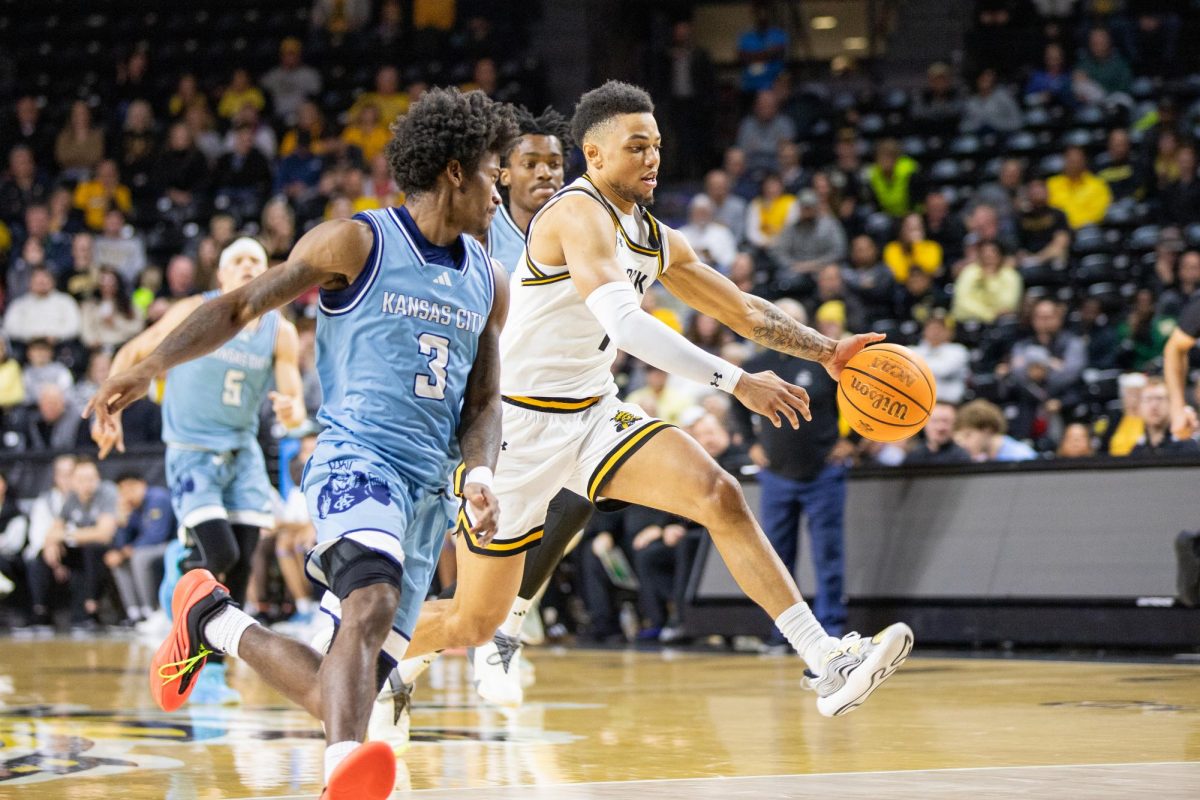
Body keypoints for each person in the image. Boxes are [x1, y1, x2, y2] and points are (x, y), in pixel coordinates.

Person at [394, 81, 912, 721]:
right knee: (474, 622)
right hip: (514, 432)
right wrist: (737, 382)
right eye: (636, 146)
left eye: (657, 146)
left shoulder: (652, 234)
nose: (652, 159)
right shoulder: (574, 214)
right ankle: (373, 651)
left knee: (718, 494)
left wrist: (826, 352)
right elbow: (631, 326)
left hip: (590, 414)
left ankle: (827, 660)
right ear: (595, 154)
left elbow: (742, 308)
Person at [86, 88, 515, 800]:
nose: (500, 193)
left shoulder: (487, 280)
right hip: (358, 461)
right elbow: (238, 306)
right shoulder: (356, 242)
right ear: (452, 172)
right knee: (369, 604)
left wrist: (481, 475)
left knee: (338, 687)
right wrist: (150, 364)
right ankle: (341, 772)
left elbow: (483, 400)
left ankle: (211, 619)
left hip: (430, 490)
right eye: (493, 173)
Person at [94, 237, 306, 706]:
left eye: (257, 259)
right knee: (221, 552)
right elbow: (136, 350)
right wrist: (107, 409)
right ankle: (181, 584)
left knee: (245, 560)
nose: (250, 265)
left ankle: (213, 667)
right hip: (192, 448)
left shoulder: (280, 329)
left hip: (241, 450)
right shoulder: (195, 309)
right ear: (223, 276)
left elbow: (293, 404)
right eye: (239, 260)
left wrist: (292, 409)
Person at [729, 298, 850, 645]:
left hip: (823, 473)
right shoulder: (757, 364)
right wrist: (751, 444)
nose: (786, 326)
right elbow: (736, 406)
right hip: (777, 476)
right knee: (776, 558)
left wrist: (852, 440)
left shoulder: (823, 364)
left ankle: (831, 629)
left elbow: (858, 398)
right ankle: (786, 634)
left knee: (828, 554)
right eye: (779, 320)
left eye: (794, 321)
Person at [27, 458, 117, 631]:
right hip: (82, 549)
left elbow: (104, 534)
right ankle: (41, 612)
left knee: (91, 551)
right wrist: (51, 543)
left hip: (109, 549)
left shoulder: (107, 492)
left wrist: (66, 535)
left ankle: (89, 613)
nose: (87, 484)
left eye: (91, 478)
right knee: (43, 555)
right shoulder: (72, 498)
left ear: (98, 478)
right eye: (81, 479)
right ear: (74, 481)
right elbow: (53, 531)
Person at [105, 472, 174, 625]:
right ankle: (134, 613)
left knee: (139, 557)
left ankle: (151, 612)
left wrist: (123, 552)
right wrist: (122, 522)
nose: (127, 493)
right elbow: (122, 542)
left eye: (131, 487)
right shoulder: (133, 508)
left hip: (175, 545)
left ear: (142, 484)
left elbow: (157, 536)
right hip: (150, 548)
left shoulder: (157, 498)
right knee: (118, 561)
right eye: (122, 490)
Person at [4, 267, 81, 344]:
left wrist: (56, 336)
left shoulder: (66, 301)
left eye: (45, 280)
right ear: (30, 283)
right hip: (26, 345)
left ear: (53, 281)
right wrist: (30, 336)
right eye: (37, 281)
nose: (41, 283)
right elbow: (10, 327)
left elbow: (74, 327)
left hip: (59, 344)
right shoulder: (19, 304)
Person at [951, 241, 1022, 324]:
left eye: (993, 253)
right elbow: (962, 303)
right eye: (985, 254)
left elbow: (1007, 304)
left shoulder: (1010, 275)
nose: (988, 257)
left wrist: (989, 280)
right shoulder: (969, 272)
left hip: (1001, 323)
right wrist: (989, 315)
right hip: (969, 322)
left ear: (1000, 255)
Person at [1129, 378, 1200, 457]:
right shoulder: (1137, 451)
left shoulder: (1188, 447)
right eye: (1148, 399)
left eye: (1160, 399)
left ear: (1171, 405)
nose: (1154, 405)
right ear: (1139, 407)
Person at [260, 38, 322, 127]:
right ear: (281, 56)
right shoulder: (273, 75)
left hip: (301, 118)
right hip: (278, 118)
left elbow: (315, 97)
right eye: (286, 54)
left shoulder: (310, 74)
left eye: (293, 54)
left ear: (300, 55)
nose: (290, 58)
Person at [911, 311, 970, 405]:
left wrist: (915, 367)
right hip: (918, 402)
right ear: (925, 330)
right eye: (932, 327)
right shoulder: (912, 350)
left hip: (949, 403)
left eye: (940, 328)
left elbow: (943, 370)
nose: (935, 332)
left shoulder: (958, 350)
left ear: (950, 332)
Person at [1047, 146, 1112, 229]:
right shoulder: (1051, 184)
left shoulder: (1098, 185)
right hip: (1058, 229)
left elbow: (1099, 213)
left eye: (1077, 161)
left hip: (1086, 229)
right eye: (1071, 161)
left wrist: (1075, 225)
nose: (1074, 165)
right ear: (1064, 162)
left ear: (1084, 162)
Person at [953, 399, 1038, 462]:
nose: (963, 444)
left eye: (968, 435)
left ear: (987, 431)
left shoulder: (1021, 457)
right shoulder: (979, 459)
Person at [904, 402, 971, 465]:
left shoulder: (962, 458)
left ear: (954, 424)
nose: (940, 427)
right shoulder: (913, 457)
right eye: (935, 421)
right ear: (924, 424)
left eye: (945, 421)